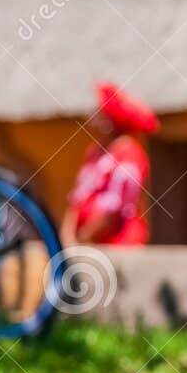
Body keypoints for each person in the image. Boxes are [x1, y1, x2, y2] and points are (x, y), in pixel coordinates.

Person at [60, 82, 158, 249]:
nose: (93, 118)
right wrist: (68, 238)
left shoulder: (129, 155)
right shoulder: (95, 153)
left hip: (116, 246)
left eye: (99, 113)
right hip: (86, 245)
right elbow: (78, 199)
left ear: (109, 122)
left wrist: (83, 238)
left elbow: (112, 210)